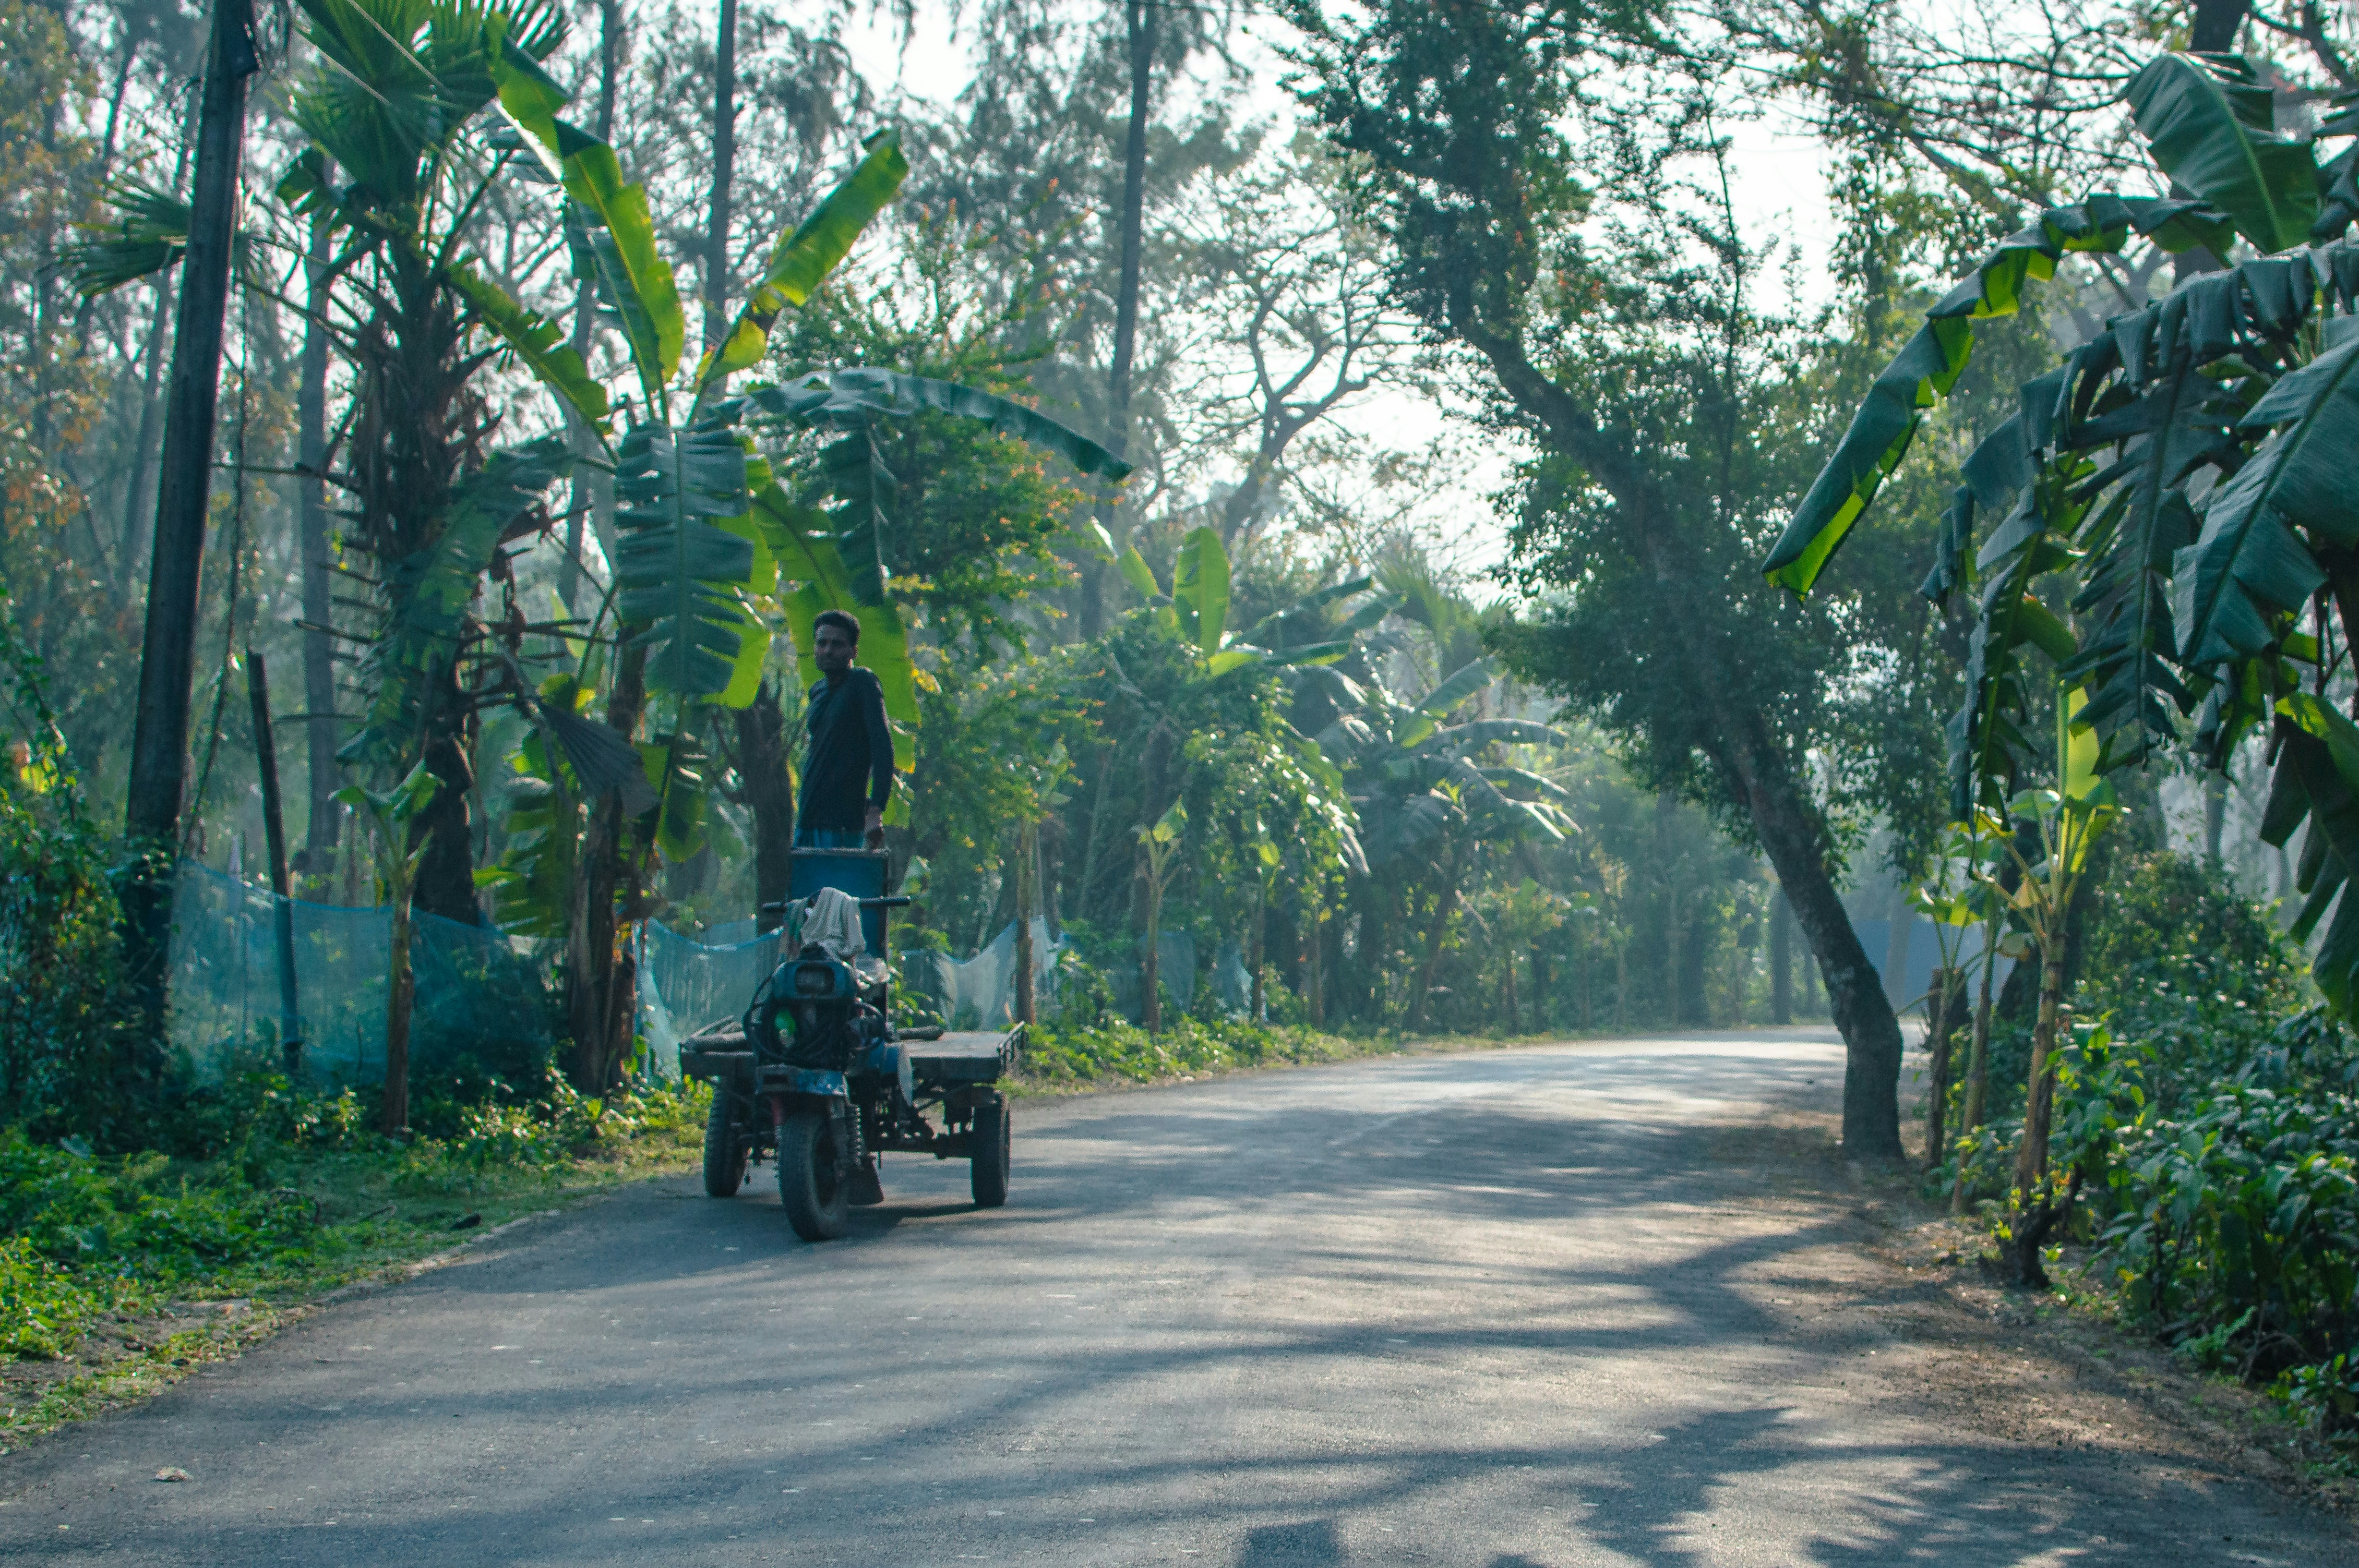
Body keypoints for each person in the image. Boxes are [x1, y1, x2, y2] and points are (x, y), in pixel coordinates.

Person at [796, 609, 893, 850]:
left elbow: (882, 747)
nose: (828, 650)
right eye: (822, 643)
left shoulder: (863, 683)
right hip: (808, 817)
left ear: (853, 651)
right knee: (805, 888)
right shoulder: (817, 691)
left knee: (836, 887)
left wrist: (875, 811)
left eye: (837, 644)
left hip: (842, 822)